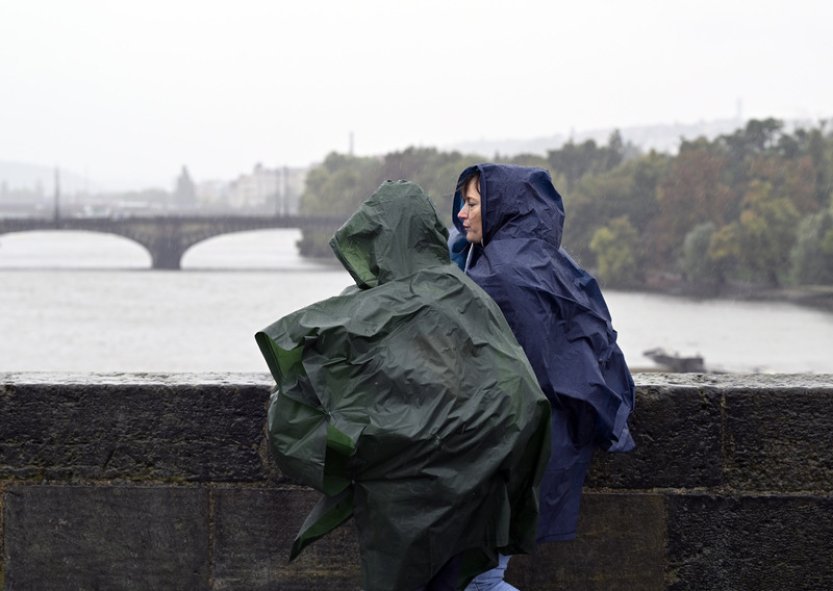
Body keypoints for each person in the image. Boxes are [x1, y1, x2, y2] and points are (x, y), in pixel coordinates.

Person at [256, 179, 552, 591]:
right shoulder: (465, 293)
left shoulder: (380, 308)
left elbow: (318, 373)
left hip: (424, 494)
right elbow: (520, 392)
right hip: (482, 480)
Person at [449, 164, 636, 590]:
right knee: (475, 575)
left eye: (473, 204)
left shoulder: (499, 275)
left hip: (505, 452)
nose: (461, 214)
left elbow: (509, 373)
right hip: (546, 441)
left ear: (501, 209)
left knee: (479, 580)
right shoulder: (547, 260)